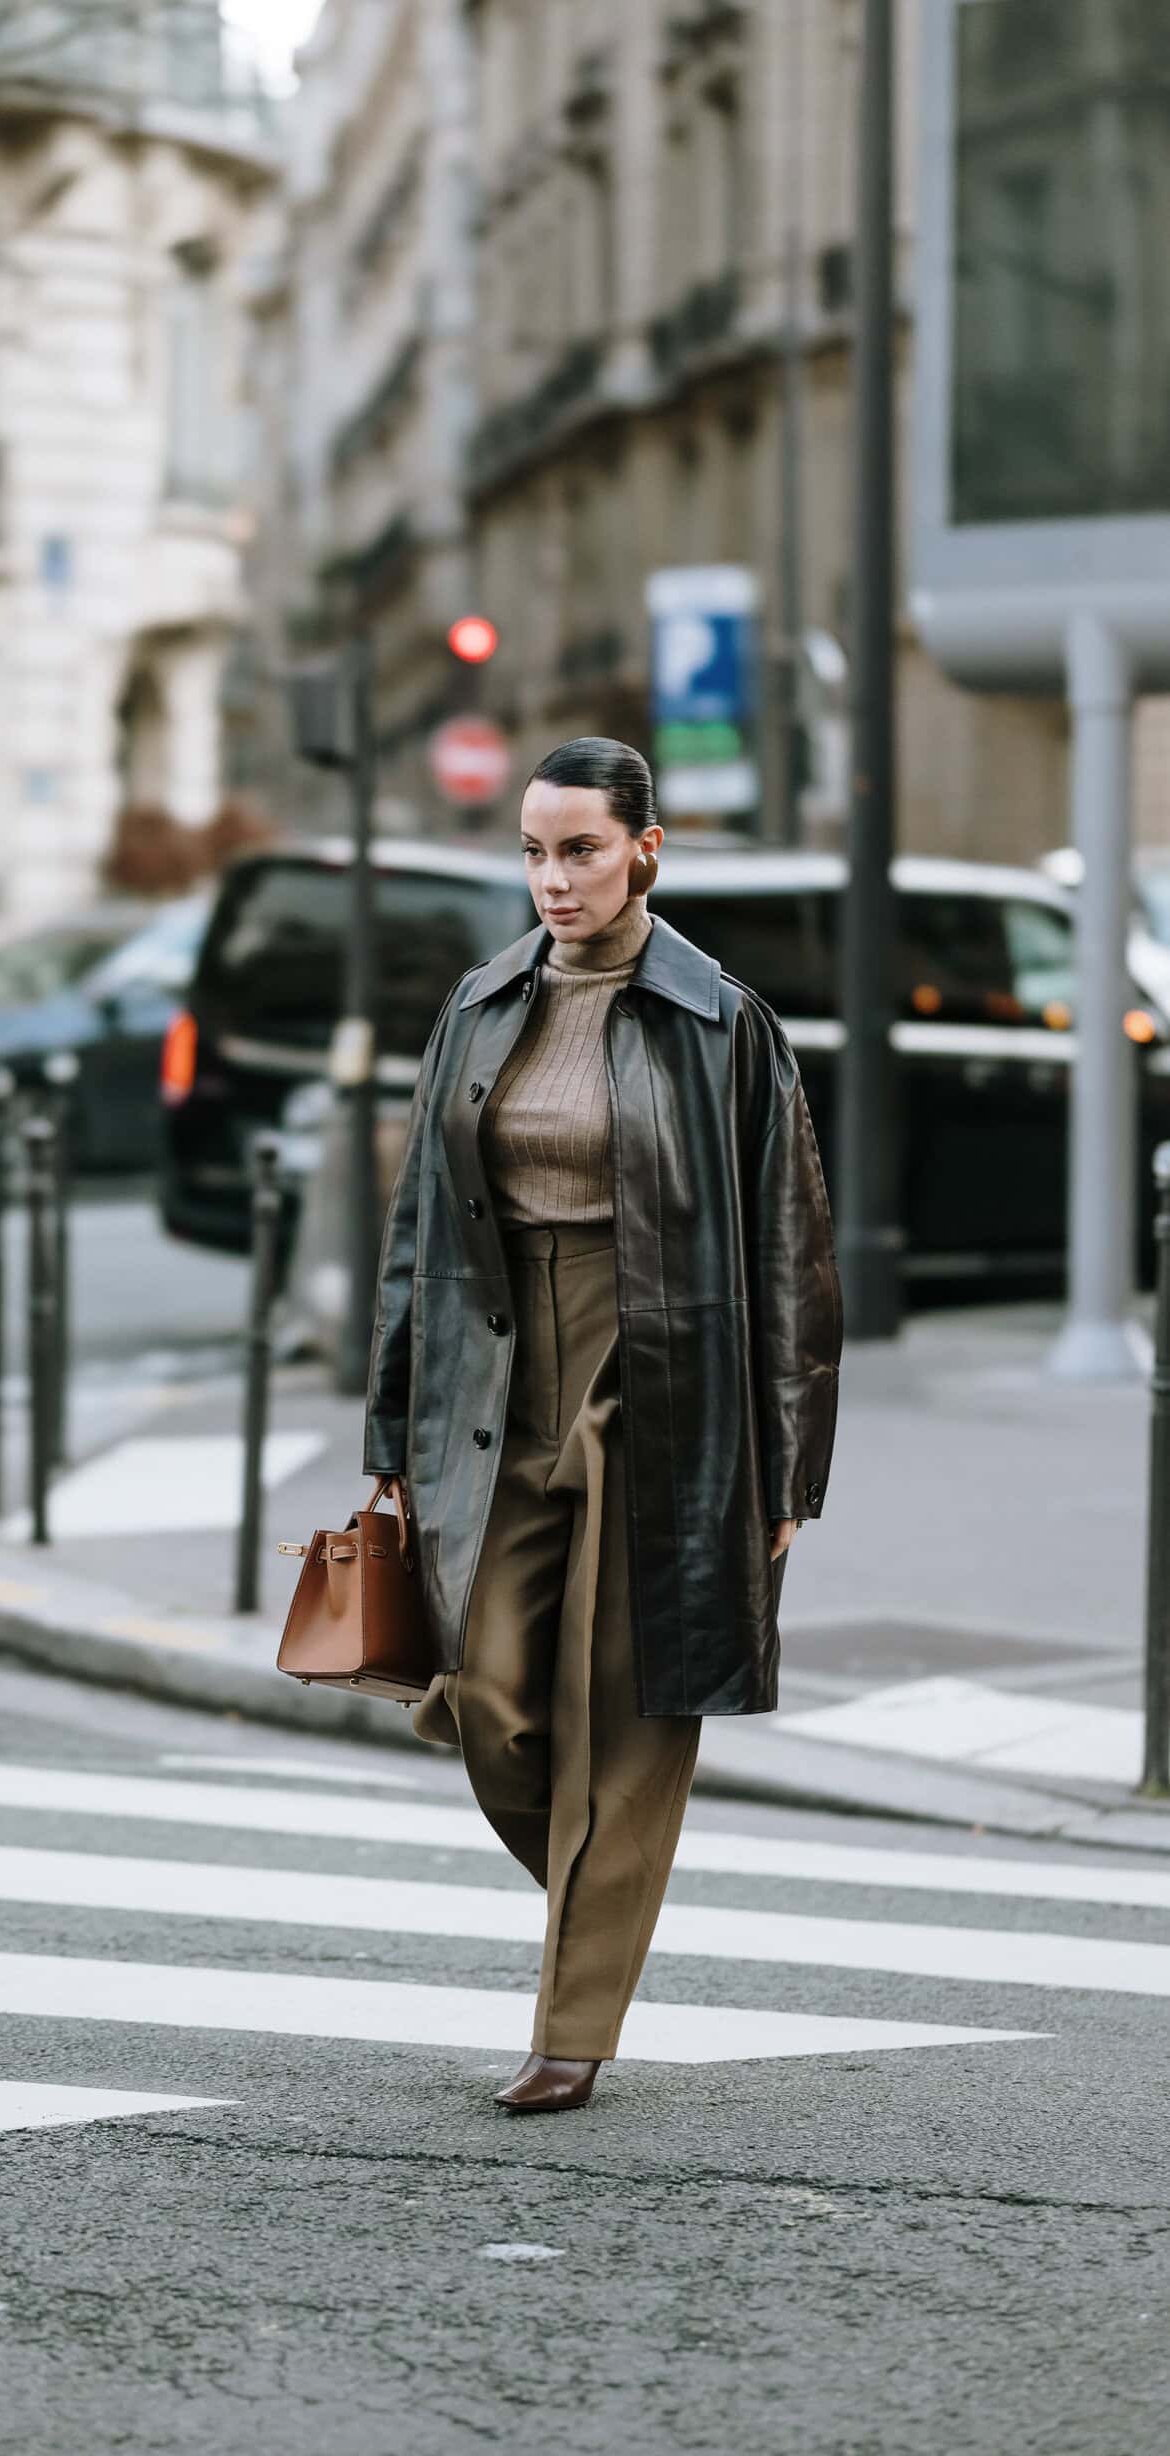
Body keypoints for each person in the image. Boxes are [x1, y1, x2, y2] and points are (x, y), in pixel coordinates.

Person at [364, 736, 842, 2114]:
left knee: (626, 1713)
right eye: (532, 850)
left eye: (579, 849)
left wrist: (791, 1460)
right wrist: (390, 1432)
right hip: (496, 1369)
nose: (553, 878)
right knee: (495, 1702)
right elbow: (417, 1229)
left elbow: (791, 1254)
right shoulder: (482, 1003)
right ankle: (605, 1899)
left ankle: (572, 2027)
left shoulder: (719, 1021)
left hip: (664, 1377)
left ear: (645, 851)